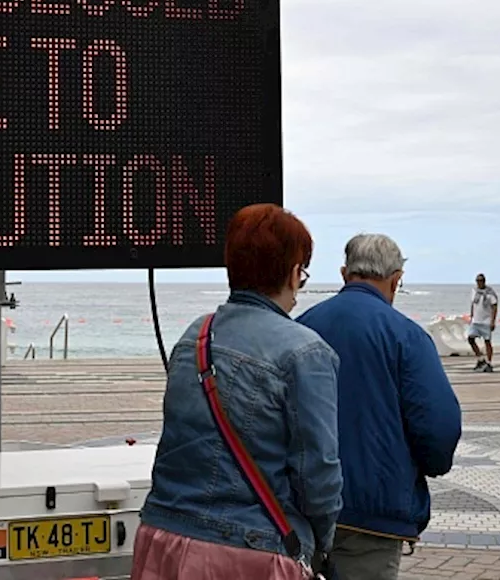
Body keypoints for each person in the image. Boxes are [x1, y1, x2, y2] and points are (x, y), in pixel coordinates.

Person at [134, 204, 342, 580]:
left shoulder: (194, 337)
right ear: (294, 273)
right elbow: (318, 475)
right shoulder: (306, 352)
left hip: (164, 538)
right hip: (251, 552)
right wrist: (320, 543)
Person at [297, 234, 461, 580]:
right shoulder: (407, 336)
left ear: (344, 274)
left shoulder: (302, 327)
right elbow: (439, 425)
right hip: (373, 512)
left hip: (300, 506)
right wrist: (429, 466)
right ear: (396, 280)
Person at [466, 273, 499, 372]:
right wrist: (471, 316)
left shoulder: (490, 293)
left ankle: (489, 362)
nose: (479, 282)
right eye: (477, 281)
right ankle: (481, 359)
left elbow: (494, 307)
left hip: (486, 321)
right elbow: (473, 304)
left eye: (481, 281)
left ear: (484, 281)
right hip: (476, 320)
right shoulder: (474, 291)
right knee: (470, 339)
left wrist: (493, 321)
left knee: (487, 341)